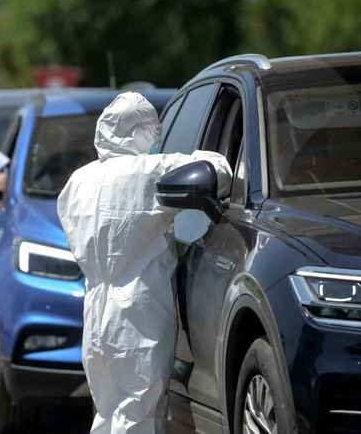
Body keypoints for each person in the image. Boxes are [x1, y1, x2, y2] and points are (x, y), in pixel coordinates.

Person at [57, 92, 232, 433]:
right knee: (140, 409)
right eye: (151, 132)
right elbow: (218, 171)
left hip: (95, 309)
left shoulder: (78, 181)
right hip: (138, 309)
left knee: (107, 409)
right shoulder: (146, 171)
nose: (154, 141)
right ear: (139, 131)